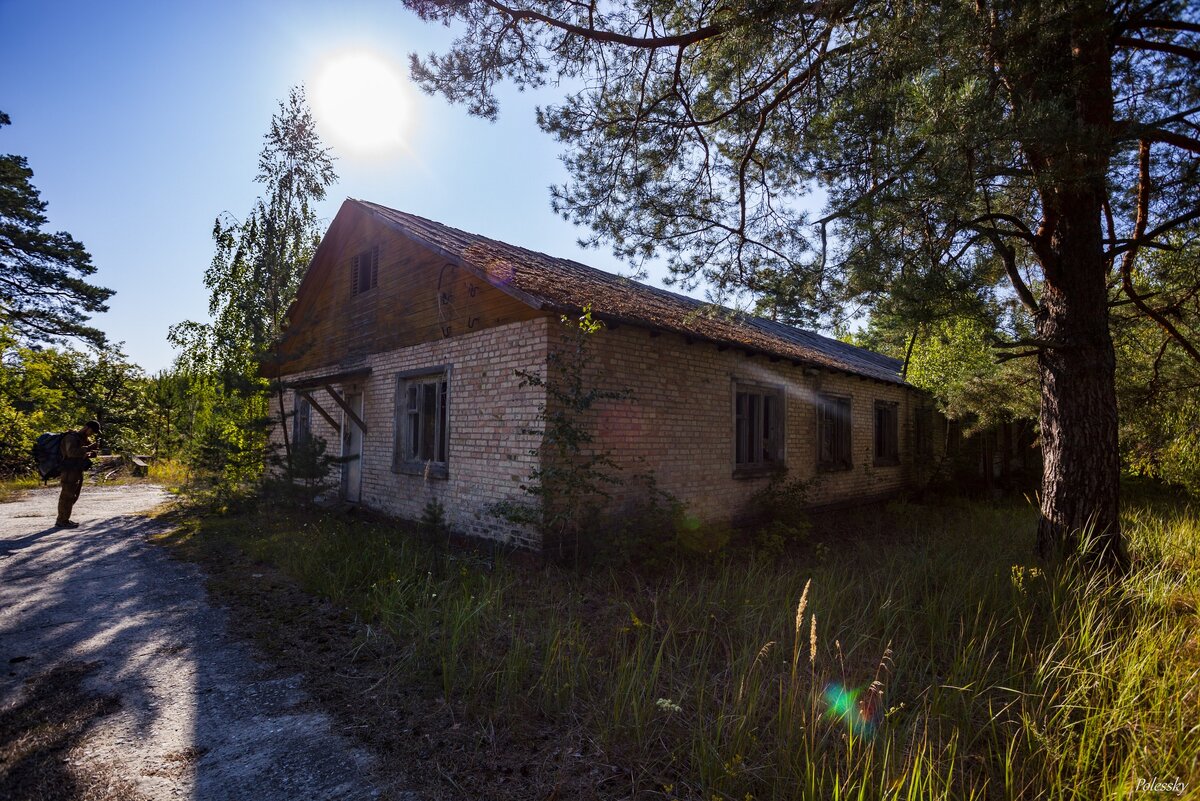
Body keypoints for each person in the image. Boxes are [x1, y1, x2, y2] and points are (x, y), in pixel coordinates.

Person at [56, 420, 100, 529]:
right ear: (87, 427)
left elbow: (80, 454)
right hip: (68, 470)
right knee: (66, 495)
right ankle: (61, 520)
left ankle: (65, 519)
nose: (92, 434)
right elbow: (71, 453)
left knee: (72, 495)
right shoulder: (70, 437)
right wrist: (88, 448)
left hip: (76, 470)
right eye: (92, 431)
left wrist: (91, 453)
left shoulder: (81, 439)